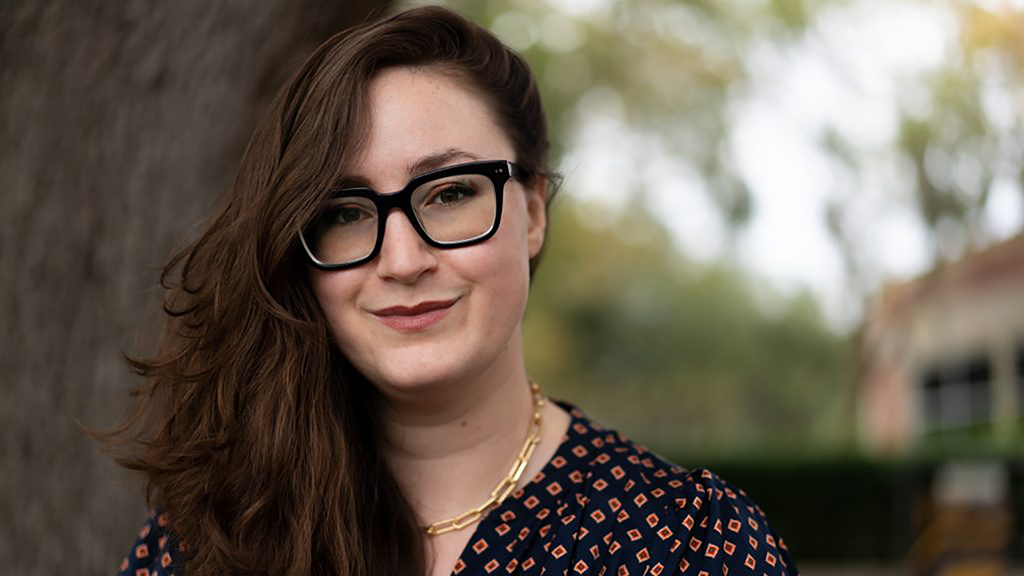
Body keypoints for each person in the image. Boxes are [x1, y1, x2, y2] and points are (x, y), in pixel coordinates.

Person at [108, 5, 797, 576]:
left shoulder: (691, 546)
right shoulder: (207, 540)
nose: (403, 260)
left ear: (532, 211)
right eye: (344, 213)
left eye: (450, 194)